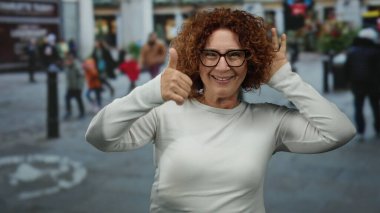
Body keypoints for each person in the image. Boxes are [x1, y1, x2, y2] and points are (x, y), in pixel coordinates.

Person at [86, 8, 356, 212]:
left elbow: (340, 131)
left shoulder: (270, 120)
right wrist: (151, 91)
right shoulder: (167, 111)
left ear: (249, 62)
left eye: (235, 55)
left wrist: (284, 79)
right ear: (196, 58)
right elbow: (99, 137)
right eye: (211, 54)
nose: (223, 67)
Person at [344, 28, 380, 141]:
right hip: (373, 85)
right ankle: (378, 130)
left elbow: (347, 68)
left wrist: (348, 81)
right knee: (375, 107)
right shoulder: (376, 51)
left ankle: (360, 131)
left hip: (357, 84)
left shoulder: (352, 51)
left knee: (358, 108)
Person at [63, 53, 85, 120]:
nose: (67, 62)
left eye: (69, 60)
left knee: (78, 99)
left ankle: (82, 112)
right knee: (67, 98)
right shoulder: (67, 66)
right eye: (67, 60)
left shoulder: (77, 66)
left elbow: (81, 76)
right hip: (70, 87)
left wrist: (80, 87)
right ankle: (68, 112)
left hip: (77, 87)